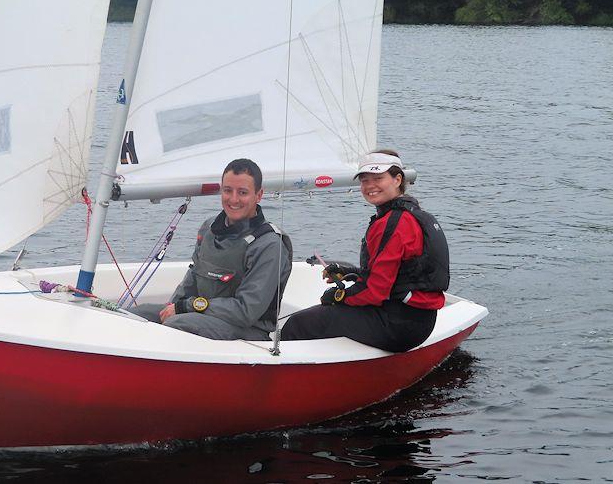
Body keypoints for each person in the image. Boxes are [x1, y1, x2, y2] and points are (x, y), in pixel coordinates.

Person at [281, 150, 449, 352]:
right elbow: (396, 275)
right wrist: (351, 274)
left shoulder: (392, 223)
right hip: (418, 321)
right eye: (364, 180)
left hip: (398, 325)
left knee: (298, 325)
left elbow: (375, 291)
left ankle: (285, 376)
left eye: (378, 178)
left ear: (397, 179)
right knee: (325, 314)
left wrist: (339, 296)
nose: (369, 186)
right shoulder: (413, 216)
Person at [127, 158, 292, 341]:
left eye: (243, 192)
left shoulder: (268, 245)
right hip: (203, 315)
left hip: (248, 331)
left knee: (176, 324)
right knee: (134, 315)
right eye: (227, 191)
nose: (234, 199)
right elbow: (193, 278)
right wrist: (174, 306)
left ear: (258, 195)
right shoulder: (209, 228)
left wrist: (186, 307)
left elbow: (246, 311)